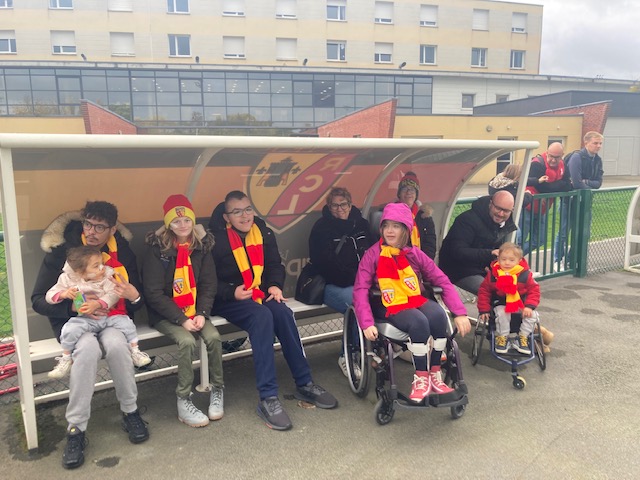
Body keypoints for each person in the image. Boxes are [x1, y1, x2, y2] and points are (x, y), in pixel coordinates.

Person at [31, 201, 149, 470]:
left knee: (118, 345)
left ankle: (130, 411)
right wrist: (69, 305)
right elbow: (38, 299)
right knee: (87, 350)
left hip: (111, 319)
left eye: (100, 227)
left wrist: (134, 295)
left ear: (112, 229)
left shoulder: (123, 253)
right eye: (88, 224)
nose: (92, 231)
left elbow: (136, 298)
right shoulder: (64, 253)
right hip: (74, 322)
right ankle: (76, 428)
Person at [208, 191, 337, 431]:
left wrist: (275, 286)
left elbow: (274, 264)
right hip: (229, 299)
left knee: (283, 313)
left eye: (247, 209)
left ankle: (304, 382)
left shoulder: (263, 231)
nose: (244, 216)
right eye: (237, 212)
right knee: (262, 316)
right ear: (227, 216)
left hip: (259, 292)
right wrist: (231, 291)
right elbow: (208, 281)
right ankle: (268, 398)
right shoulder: (214, 239)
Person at [353, 203, 471, 403]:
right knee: (419, 321)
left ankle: (435, 374)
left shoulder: (414, 253)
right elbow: (360, 289)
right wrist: (366, 322)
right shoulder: (372, 254)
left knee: (438, 315)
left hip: (413, 298)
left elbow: (441, 280)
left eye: (396, 226)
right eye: (386, 225)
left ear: (406, 230)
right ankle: (421, 378)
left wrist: (459, 313)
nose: (390, 231)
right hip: (387, 304)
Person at [142, 194, 224, 428]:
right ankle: (183, 400)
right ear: (168, 224)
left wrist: (201, 313)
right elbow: (153, 292)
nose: (183, 225)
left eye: (187, 220)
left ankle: (217, 390)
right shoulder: (157, 250)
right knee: (187, 342)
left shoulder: (200, 247)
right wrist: (181, 318)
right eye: (176, 221)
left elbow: (209, 284)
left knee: (214, 337)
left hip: (194, 310)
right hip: (166, 314)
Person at [46, 245, 151, 379]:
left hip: (107, 316)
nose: (101, 267)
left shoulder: (106, 276)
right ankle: (66, 358)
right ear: (79, 272)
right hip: (85, 319)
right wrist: (64, 294)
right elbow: (49, 296)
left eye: (101, 263)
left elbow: (113, 293)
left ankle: (135, 352)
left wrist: (98, 303)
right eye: (96, 266)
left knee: (127, 323)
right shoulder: (67, 279)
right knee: (69, 328)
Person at [308, 187, 374, 377]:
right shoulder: (321, 228)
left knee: (381, 297)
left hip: (363, 282)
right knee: (356, 304)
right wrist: (359, 279)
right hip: (332, 284)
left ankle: (378, 347)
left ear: (350, 204)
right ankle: (347, 355)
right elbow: (325, 265)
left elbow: (373, 253)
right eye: (334, 205)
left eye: (343, 204)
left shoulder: (361, 224)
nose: (339, 209)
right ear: (328, 207)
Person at [439, 190, 517, 296]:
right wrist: (490, 254)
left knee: (520, 288)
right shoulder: (467, 220)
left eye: (506, 211)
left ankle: (510, 312)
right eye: (498, 208)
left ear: (511, 211)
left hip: (483, 268)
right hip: (458, 270)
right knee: (493, 293)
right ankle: (491, 312)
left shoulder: (504, 223)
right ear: (490, 203)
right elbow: (457, 252)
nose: (501, 213)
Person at [477, 242, 541, 355]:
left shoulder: (525, 274)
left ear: (519, 260)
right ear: (498, 259)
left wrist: (529, 306)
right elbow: (484, 291)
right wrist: (484, 309)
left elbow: (534, 291)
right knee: (502, 313)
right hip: (501, 302)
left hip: (520, 303)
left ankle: (522, 338)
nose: (507, 263)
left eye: (511, 260)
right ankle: (503, 338)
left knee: (533, 315)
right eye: (503, 259)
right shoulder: (494, 274)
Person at [555, 131, 605, 266]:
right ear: (586, 143)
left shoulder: (597, 160)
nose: (598, 146)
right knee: (565, 231)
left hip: (585, 200)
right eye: (595, 143)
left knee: (584, 232)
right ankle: (558, 260)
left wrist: (586, 182)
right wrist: (588, 184)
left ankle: (572, 260)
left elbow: (598, 183)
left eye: (600, 143)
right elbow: (576, 183)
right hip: (570, 200)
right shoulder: (577, 157)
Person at [521, 142, 572, 255]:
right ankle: (511, 262)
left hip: (542, 208)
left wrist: (552, 187)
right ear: (547, 153)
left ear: (562, 155)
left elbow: (568, 184)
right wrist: (559, 185)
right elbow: (542, 187)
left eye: (557, 157)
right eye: (551, 156)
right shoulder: (537, 164)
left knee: (539, 240)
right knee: (519, 239)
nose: (553, 160)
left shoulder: (563, 165)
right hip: (527, 207)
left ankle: (514, 258)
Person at [395, 171, 437, 259]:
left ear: (416, 194)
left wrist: (425, 263)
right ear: (399, 193)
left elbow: (430, 243)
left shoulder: (424, 216)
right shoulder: (392, 214)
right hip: (399, 263)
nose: (408, 192)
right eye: (404, 189)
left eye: (412, 189)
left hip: (421, 263)